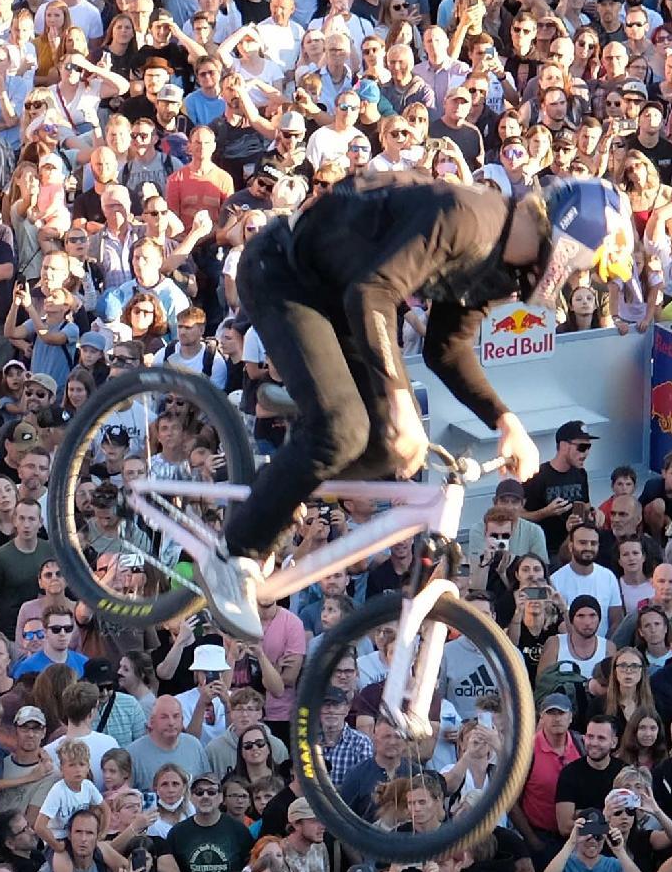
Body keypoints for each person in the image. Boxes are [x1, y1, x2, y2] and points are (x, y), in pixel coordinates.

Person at [202, 174, 626, 638]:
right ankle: (231, 556)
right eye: (587, 266)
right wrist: (403, 401)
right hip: (287, 276)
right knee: (341, 429)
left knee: (386, 451)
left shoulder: (500, 267)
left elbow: (446, 351)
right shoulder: (468, 219)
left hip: (339, 299)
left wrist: (505, 419)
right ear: (567, 243)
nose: (580, 279)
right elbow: (372, 293)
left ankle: (275, 485)